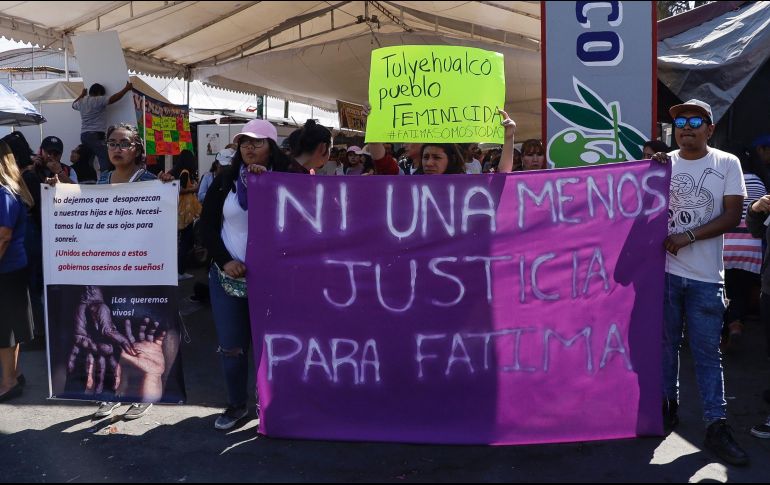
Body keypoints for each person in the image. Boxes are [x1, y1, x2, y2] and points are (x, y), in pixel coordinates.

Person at [657, 99, 749, 466]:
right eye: (680, 121)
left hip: (706, 280)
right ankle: (666, 411)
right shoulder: (662, 165)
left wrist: (687, 237)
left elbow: (731, 216)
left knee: (708, 356)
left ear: (710, 128)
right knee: (666, 346)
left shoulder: (727, 163)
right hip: (664, 275)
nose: (686, 126)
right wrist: (649, 170)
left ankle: (716, 426)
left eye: (696, 120)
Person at [200, 119, 292, 430]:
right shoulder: (225, 180)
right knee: (232, 346)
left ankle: (273, 405)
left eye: (257, 142)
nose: (249, 148)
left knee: (275, 346)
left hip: (274, 281)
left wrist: (270, 185)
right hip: (228, 278)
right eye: (244, 142)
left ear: (272, 147)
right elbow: (207, 227)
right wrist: (225, 260)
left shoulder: (288, 179)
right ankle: (236, 405)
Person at [89, 123, 171, 420]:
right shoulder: (101, 181)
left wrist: (166, 190)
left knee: (140, 333)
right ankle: (112, 392)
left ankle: (142, 392)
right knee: (110, 333)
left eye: (124, 144)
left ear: (137, 149)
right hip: (107, 271)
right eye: (112, 143)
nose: (116, 149)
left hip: (142, 271)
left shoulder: (151, 180)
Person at [721, 146, 767, 350]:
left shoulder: (724, 178)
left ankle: (723, 334)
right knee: (742, 290)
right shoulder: (758, 181)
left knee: (725, 291)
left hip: (726, 244)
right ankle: (737, 324)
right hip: (751, 247)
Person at [0, 141, 34, 402]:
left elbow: (3, 236)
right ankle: (16, 374)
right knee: (9, 326)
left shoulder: (3, 193)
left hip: (7, 268)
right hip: (13, 267)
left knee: (4, 329)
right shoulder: (10, 190)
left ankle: (9, 382)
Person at [72, 81, 133, 172]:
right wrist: (126, 89)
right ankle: (105, 180)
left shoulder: (82, 101)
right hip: (95, 135)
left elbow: (73, 105)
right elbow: (113, 99)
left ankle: (89, 179)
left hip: (84, 136)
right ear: (99, 93)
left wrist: (82, 94)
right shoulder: (98, 100)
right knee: (105, 157)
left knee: (89, 160)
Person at [170, 150, 200, 281]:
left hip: (178, 210)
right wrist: (193, 189)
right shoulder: (185, 172)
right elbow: (180, 189)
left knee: (182, 242)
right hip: (185, 213)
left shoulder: (175, 171)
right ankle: (180, 271)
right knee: (186, 242)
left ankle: (179, 270)